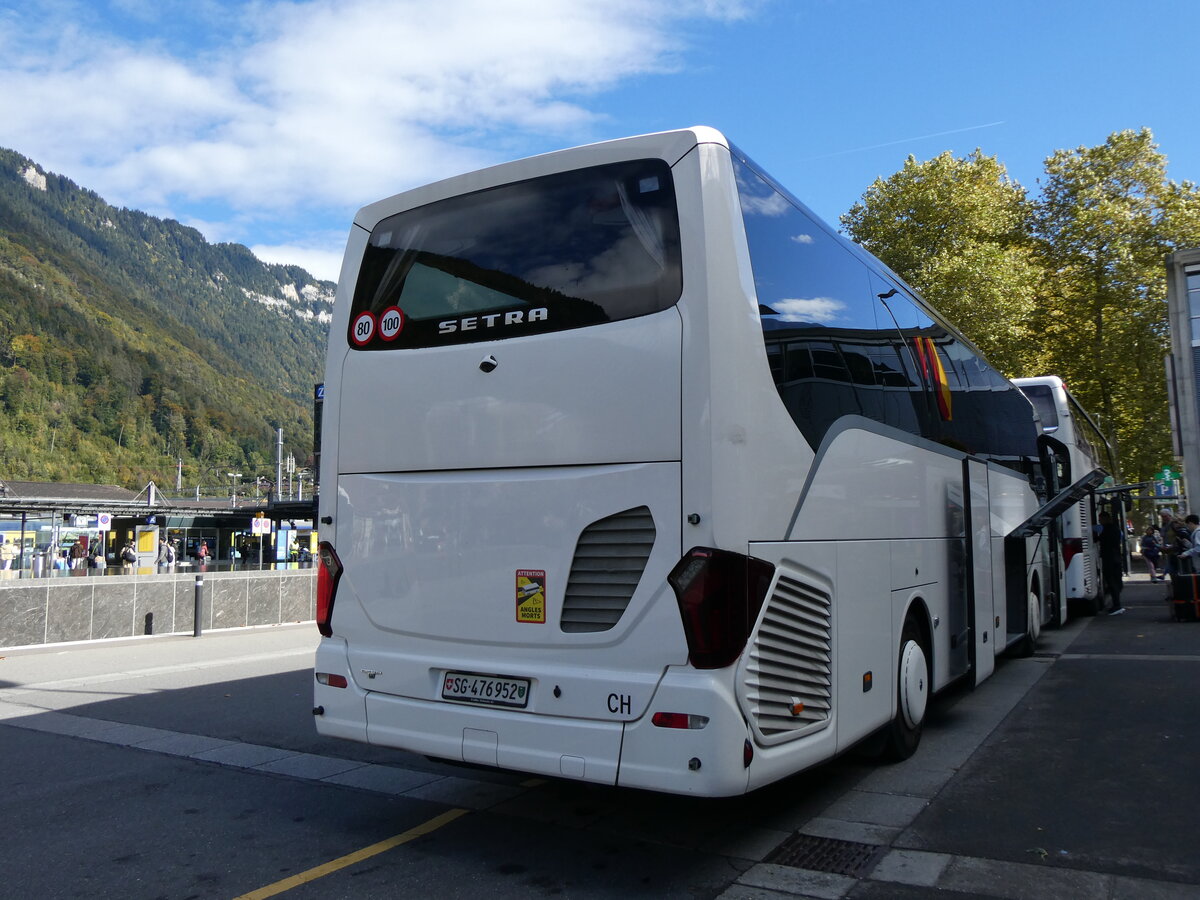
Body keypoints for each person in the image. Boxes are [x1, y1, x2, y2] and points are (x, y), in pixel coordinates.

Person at [1097, 510, 1125, 615]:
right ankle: (1116, 604)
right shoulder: (1115, 528)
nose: (1100, 522)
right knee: (1116, 581)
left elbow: (1103, 541)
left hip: (1110, 558)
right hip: (1115, 558)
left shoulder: (1107, 529)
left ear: (1105, 518)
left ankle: (1117, 605)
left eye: (1100, 519)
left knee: (1112, 581)